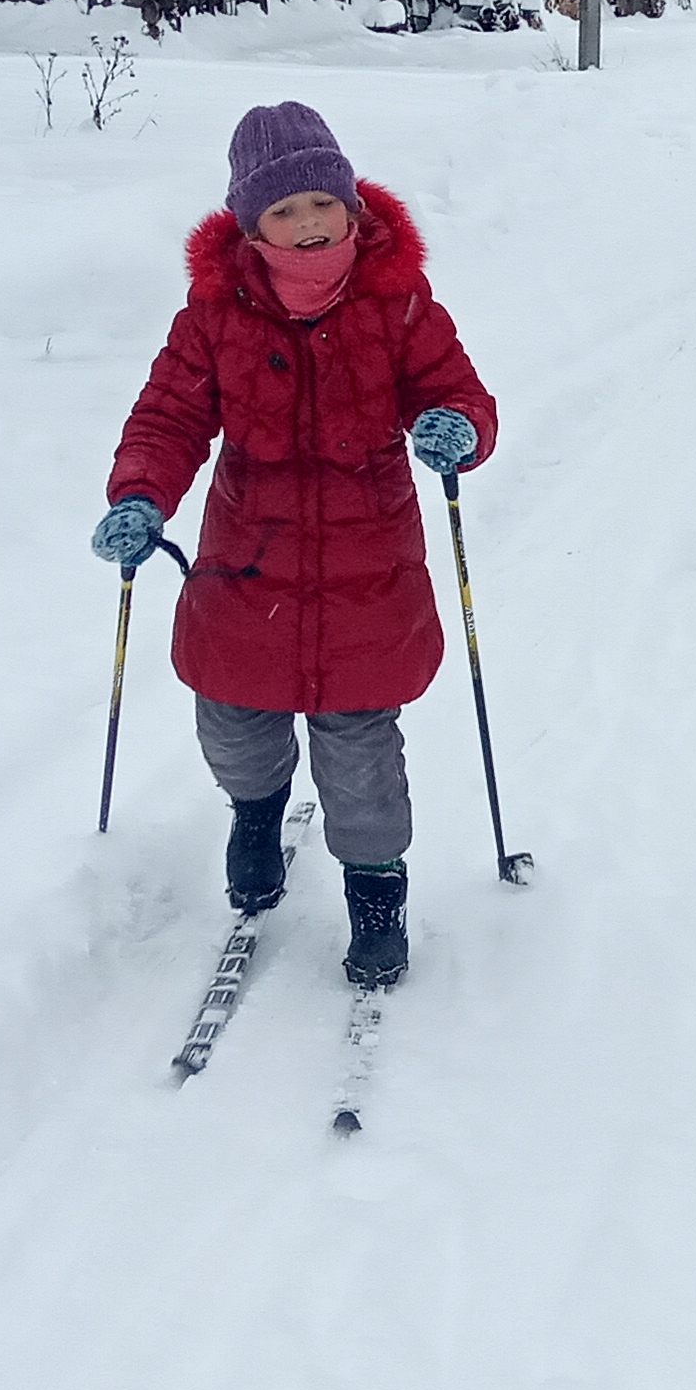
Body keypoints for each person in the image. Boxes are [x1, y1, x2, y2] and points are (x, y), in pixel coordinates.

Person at [92, 102, 499, 990]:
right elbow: (168, 417)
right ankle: (255, 814)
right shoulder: (214, 316)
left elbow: (461, 392)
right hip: (248, 560)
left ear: (352, 206)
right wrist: (137, 495)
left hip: (368, 565)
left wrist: (455, 428)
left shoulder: (399, 305)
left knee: (360, 749)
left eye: (323, 201)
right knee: (235, 721)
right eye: (285, 210)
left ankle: (377, 895)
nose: (309, 223)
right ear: (251, 223)